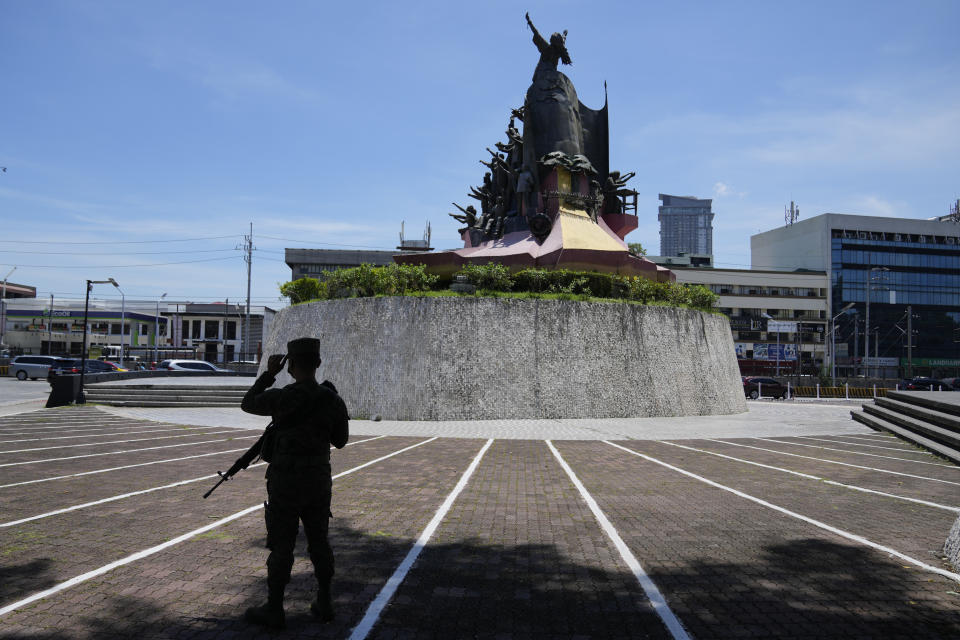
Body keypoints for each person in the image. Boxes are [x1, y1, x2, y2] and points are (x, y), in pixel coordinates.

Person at [239, 337, 349, 630]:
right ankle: (325, 601)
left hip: (285, 481)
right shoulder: (332, 400)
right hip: (317, 481)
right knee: (319, 541)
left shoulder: (282, 396)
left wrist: (268, 373)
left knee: (282, 545)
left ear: (291, 365)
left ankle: (275, 609)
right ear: (318, 363)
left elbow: (247, 403)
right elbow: (340, 441)